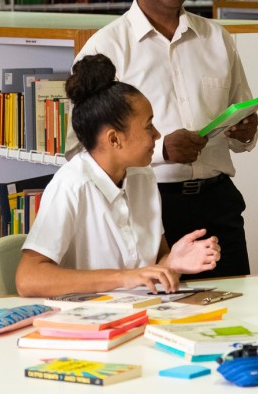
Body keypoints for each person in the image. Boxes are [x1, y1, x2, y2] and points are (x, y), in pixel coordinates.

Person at [69, 0, 258, 278]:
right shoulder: (105, 48)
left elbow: (241, 114)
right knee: (161, 315)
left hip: (218, 203)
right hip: (148, 206)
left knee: (237, 307)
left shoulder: (218, 38)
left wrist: (246, 131)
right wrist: (162, 152)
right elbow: (80, 149)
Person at [16, 54, 220, 296]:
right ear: (114, 139)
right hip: (85, 322)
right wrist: (123, 278)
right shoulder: (71, 185)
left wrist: (173, 262)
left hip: (141, 311)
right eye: (148, 126)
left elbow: (153, 268)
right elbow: (27, 279)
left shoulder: (142, 176)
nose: (157, 134)